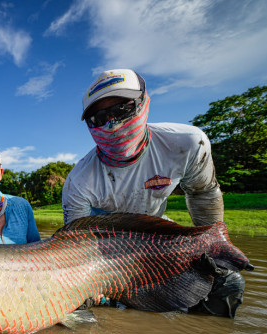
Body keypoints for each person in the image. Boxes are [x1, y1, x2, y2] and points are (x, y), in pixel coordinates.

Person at [62, 69, 243, 318]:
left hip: (160, 241)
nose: (112, 123)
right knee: (78, 302)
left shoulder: (187, 143)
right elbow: (75, 246)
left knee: (227, 283)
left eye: (122, 110)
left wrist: (211, 244)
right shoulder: (78, 181)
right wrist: (88, 283)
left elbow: (203, 193)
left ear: (144, 103)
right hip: (102, 256)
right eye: (99, 118)